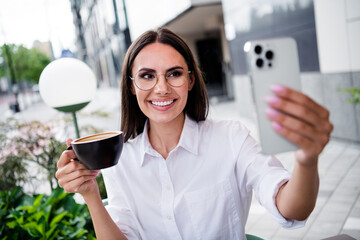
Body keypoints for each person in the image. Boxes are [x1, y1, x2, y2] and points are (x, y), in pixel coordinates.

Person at [56, 28, 333, 240]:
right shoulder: (121, 161)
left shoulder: (231, 139)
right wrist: (90, 194)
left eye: (174, 74)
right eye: (147, 76)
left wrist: (307, 161)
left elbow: (292, 208)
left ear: (190, 79)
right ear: (131, 86)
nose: (162, 88)